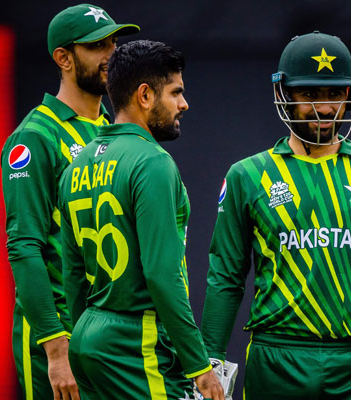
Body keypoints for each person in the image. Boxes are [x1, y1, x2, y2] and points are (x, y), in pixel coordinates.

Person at [201, 31, 351, 400]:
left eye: (334, 94)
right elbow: (225, 277)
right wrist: (209, 359)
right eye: (309, 94)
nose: (323, 107)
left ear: (350, 95)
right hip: (276, 359)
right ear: (284, 93)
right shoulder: (247, 175)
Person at [57, 40, 224, 400]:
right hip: (136, 343)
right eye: (176, 92)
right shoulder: (153, 162)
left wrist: (82, 335)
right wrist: (200, 367)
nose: (184, 104)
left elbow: (73, 275)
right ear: (145, 96)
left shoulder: (77, 166)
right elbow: (162, 277)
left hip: (87, 339)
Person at [0, 4, 138, 399]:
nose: (112, 53)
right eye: (97, 45)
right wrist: (55, 347)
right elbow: (25, 245)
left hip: (105, 334)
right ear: (63, 57)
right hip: (56, 336)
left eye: (114, 41)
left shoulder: (113, 129)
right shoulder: (35, 137)